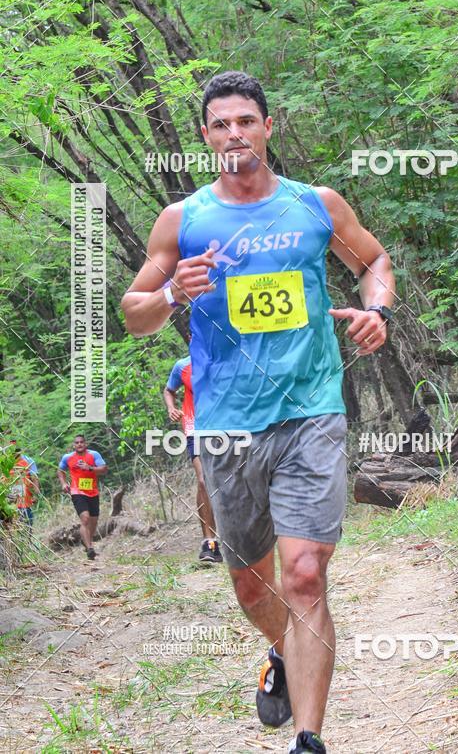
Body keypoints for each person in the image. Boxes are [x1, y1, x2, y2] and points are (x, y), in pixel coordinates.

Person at [121, 71, 395, 754]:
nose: (235, 134)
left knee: (303, 574)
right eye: (221, 124)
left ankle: (309, 739)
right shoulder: (183, 221)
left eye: (246, 120)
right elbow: (133, 315)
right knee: (252, 584)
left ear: (268, 127)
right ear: (206, 138)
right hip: (228, 424)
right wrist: (172, 295)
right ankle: (281, 648)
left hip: (311, 413)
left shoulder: (315, 205)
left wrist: (377, 311)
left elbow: (373, 259)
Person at [163, 353, 222, 563]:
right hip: (194, 427)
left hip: (226, 427)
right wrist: (171, 408)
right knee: (203, 480)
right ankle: (209, 543)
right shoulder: (183, 365)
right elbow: (169, 390)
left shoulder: (227, 356)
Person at [57, 434, 107, 560]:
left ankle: (87, 543)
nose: (79, 444)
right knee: (85, 519)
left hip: (93, 492)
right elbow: (60, 470)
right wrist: (63, 483)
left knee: (93, 522)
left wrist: (89, 468)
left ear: (85, 444)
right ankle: (90, 548)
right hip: (77, 491)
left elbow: (104, 469)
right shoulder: (68, 457)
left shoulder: (94, 455)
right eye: (77, 442)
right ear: (74, 445)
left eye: (81, 442)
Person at [7, 441, 40, 532]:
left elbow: (34, 478)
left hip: (25, 500)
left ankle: (27, 542)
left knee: (27, 526)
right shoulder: (4, 462)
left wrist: (36, 494)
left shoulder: (28, 461)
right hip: (8, 501)